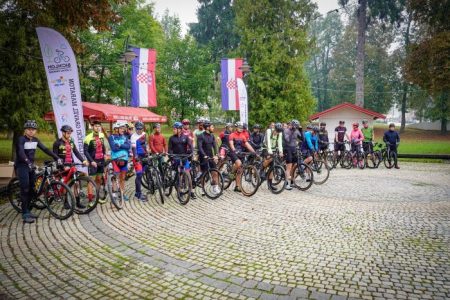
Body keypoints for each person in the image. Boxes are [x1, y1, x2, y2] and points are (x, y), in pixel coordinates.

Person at [15, 120, 61, 223]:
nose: (31, 131)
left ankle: (28, 207)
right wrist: (28, 162)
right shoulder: (21, 139)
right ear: (25, 130)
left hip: (30, 166)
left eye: (33, 129)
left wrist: (57, 157)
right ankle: (25, 212)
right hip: (22, 165)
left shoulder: (35, 140)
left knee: (33, 187)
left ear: (35, 131)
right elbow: (21, 153)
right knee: (25, 188)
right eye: (29, 129)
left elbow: (45, 149)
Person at [53, 125, 90, 208]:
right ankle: (66, 202)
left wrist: (83, 160)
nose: (69, 135)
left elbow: (76, 152)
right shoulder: (57, 143)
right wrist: (62, 167)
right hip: (62, 167)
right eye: (68, 133)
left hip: (71, 165)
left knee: (76, 183)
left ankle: (78, 202)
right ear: (63, 133)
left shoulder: (71, 142)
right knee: (65, 184)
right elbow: (55, 157)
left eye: (70, 133)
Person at [168, 121, 196, 198]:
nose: (173, 130)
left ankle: (191, 191)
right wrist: (171, 156)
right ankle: (179, 191)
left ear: (179, 129)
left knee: (188, 173)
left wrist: (191, 152)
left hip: (184, 157)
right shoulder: (171, 138)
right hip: (176, 158)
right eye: (173, 129)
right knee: (179, 174)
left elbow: (190, 145)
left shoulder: (185, 137)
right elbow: (170, 149)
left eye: (174, 129)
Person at [228, 121, 257, 192]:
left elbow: (247, 144)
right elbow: (231, 144)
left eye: (242, 128)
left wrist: (254, 152)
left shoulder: (243, 136)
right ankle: (231, 172)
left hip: (241, 153)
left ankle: (237, 186)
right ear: (236, 127)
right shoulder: (232, 135)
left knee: (240, 170)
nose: (241, 129)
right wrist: (234, 150)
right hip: (233, 152)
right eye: (239, 127)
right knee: (239, 163)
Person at [84, 119, 107, 204]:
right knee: (91, 181)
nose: (97, 127)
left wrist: (104, 154)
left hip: (101, 161)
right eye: (96, 126)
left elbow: (102, 146)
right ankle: (90, 200)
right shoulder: (88, 137)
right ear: (92, 127)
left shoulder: (101, 135)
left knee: (98, 179)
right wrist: (91, 161)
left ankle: (97, 197)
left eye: (99, 126)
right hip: (93, 161)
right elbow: (85, 151)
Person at [108, 121, 131, 200]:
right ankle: (114, 194)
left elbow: (128, 146)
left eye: (123, 128)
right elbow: (114, 148)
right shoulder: (111, 137)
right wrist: (123, 146)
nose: (123, 130)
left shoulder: (125, 137)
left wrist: (120, 145)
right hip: (115, 160)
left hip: (125, 159)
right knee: (115, 177)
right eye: (121, 128)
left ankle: (122, 193)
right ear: (116, 129)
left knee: (122, 178)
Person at [197, 121, 220, 194]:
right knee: (204, 173)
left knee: (215, 172)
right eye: (212, 127)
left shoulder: (212, 136)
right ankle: (202, 189)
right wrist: (204, 155)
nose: (213, 128)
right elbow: (200, 147)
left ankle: (215, 188)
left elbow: (214, 146)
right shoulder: (201, 136)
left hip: (210, 156)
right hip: (203, 156)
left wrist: (216, 154)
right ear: (207, 128)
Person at [262, 122, 285, 186]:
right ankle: (261, 169)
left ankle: (270, 184)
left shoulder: (279, 133)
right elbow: (268, 142)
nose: (277, 132)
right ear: (274, 128)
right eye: (277, 131)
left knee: (272, 166)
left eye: (279, 131)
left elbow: (280, 143)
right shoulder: (268, 131)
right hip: (265, 148)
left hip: (273, 149)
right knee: (269, 159)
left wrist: (281, 152)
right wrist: (269, 151)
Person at [130, 121, 148, 202]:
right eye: (137, 129)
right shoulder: (133, 136)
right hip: (137, 157)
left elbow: (145, 145)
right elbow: (133, 148)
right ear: (135, 129)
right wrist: (136, 156)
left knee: (145, 171)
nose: (139, 131)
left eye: (141, 129)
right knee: (139, 174)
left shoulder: (144, 134)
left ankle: (149, 186)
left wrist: (148, 152)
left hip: (144, 156)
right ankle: (138, 193)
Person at [283, 120, 301, 190]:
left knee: (294, 166)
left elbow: (302, 139)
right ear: (292, 125)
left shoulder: (296, 131)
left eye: (297, 126)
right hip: (288, 149)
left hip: (294, 149)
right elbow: (288, 140)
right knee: (289, 167)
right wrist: (292, 131)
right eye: (295, 126)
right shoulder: (286, 131)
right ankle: (286, 184)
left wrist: (301, 130)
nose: (296, 127)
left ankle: (292, 182)